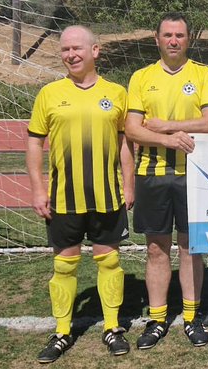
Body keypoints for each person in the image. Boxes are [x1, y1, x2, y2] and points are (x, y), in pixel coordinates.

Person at [26, 25, 134, 363]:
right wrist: (37, 188)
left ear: (95, 51)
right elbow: (34, 142)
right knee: (64, 266)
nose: (71, 54)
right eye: (65, 49)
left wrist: (128, 185)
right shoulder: (48, 93)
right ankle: (61, 332)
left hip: (106, 195)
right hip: (63, 197)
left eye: (77, 48)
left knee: (111, 261)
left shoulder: (116, 93)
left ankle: (113, 327)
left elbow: (125, 144)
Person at [124, 13, 208, 349]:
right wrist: (168, 140)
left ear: (188, 39)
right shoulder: (141, 77)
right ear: (157, 39)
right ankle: (157, 317)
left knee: (191, 248)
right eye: (168, 35)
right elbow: (132, 129)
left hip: (193, 177)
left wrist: (163, 125)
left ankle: (192, 317)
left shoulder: (204, 74)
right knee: (155, 249)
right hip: (151, 176)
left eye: (180, 35)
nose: (174, 40)